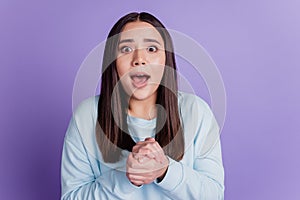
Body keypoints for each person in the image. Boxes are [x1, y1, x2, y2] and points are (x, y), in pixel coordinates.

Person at [61, 12, 224, 199]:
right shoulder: (87, 116)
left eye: (152, 49)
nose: (139, 59)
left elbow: (214, 195)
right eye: (126, 49)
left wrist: (165, 170)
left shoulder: (197, 112)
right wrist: (128, 177)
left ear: (166, 61)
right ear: (112, 62)